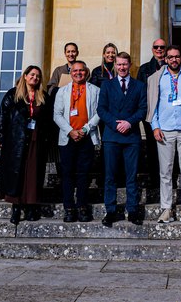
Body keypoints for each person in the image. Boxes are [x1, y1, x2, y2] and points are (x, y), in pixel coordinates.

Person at [146, 44, 181, 224]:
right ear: (165, 59)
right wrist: (155, 126)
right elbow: (152, 105)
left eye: (177, 56)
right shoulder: (156, 77)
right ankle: (166, 209)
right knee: (165, 172)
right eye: (170, 57)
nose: (174, 60)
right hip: (165, 130)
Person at [97, 52, 147, 226]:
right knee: (110, 176)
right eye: (119, 64)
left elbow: (142, 110)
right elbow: (101, 110)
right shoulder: (107, 85)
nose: (122, 67)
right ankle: (111, 211)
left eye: (125, 64)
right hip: (112, 136)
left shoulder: (139, 86)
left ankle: (132, 210)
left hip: (131, 136)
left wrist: (129, 123)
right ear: (115, 65)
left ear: (130, 65)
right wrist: (115, 124)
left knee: (131, 176)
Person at [0, 65, 49, 224]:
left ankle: (31, 206)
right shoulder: (13, 94)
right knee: (17, 172)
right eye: (32, 75)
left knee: (33, 173)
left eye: (38, 76)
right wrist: (0, 136)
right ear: (25, 76)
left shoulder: (43, 96)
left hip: (36, 139)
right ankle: (16, 208)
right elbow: (3, 116)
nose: (35, 78)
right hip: (16, 139)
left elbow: (47, 120)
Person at [52, 61, 100, 223]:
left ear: (86, 72)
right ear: (70, 73)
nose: (78, 73)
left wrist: (85, 129)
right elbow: (57, 114)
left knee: (83, 174)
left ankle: (82, 206)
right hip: (67, 138)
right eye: (75, 70)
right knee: (67, 174)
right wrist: (70, 131)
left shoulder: (95, 90)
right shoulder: (62, 91)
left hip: (87, 137)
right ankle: (69, 208)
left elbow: (99, 112)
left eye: (81, 70)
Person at [137, 38, 167, 186]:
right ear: (152, 49)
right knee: (152, 145)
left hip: (167, 113)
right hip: (150, 113)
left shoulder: (171, 67)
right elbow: (140, 92)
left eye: (162, 47)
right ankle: (154, 178)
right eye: (156, 47)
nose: (159, 49)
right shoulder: (144, 69)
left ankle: (168, 176)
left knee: (168, 145)